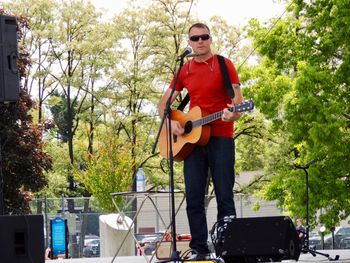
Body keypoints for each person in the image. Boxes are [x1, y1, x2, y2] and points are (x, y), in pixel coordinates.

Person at [158, 22, 244, 260]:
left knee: (224, 195)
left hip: (221, 137)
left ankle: (228, 248)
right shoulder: (184, 70)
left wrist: (233, 113)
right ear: (189, 43)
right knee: (194, 197)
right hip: (192, 142)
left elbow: (238, 105)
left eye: (204, 37)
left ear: (210, 38)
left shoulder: (225, 65)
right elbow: (163, 104)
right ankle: (199, 249)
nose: (200, 41)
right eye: (195, 38)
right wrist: (169, 123)